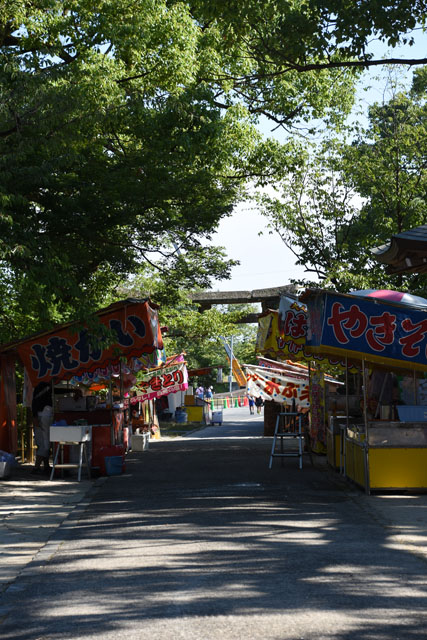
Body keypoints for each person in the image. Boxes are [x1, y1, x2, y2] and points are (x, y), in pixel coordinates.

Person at [31, 381, 53, 475]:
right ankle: (36, 467)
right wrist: (35, 417)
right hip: (43, 416)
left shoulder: (41, 387)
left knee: (44, 442)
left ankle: (46, 466)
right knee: (45, 443)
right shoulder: (44, 387)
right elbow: (34, 402)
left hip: (42, 416)